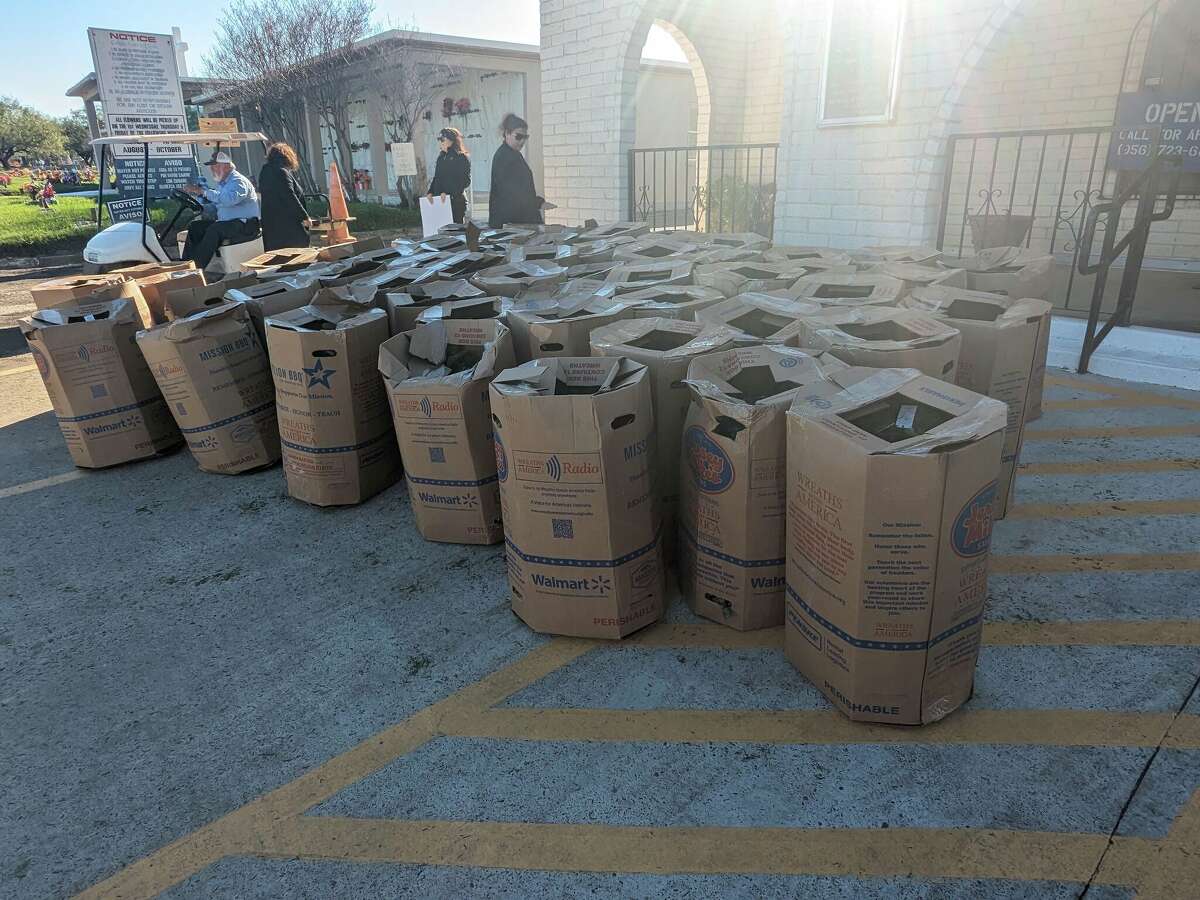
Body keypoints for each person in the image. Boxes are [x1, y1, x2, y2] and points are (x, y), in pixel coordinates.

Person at [182, 151, 261, 269]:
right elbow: (219, 205)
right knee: (195, 227)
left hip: (246, 224)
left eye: (216, 166)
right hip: (230, 222)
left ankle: (197, 268)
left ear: (226, 166)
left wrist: (203, 192)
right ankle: (186, 265)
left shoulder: (238, 181)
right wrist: (201, 205)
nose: (212, 169)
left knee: (215, 230)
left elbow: (229, 200)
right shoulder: (224, 183)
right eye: (212, 166)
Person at [489, 113, 543, 227]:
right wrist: (537, 203)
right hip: (511, 221)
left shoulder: (513, 154)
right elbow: (511, 192)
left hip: (518, 219)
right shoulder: (503, 157)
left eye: (525, 137)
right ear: (507, 133)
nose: (522, 141)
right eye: (518, 136)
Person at [257, 142, 310, 250]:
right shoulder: (282, 172)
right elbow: (290, 196)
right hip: (288, 228)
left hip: (271, 227)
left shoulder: (265, 171)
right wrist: (304, 217)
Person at [427, 127, 472, 224]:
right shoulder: (441, 158)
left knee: (456, 235)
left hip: (456, 203)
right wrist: (430, 192)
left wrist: (448, 193)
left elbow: (465, 181)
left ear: (451, 140)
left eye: (442, 139)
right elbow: (437, 178)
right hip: (440, 203)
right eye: (439, 140)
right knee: (440, 235)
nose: (440, 142)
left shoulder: (461, 158)